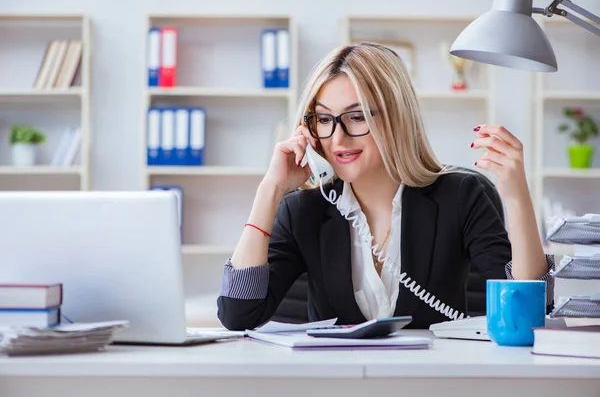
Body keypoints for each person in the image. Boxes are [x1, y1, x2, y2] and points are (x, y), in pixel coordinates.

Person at [216, 42, 554, 331]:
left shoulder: (461, 196)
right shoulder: (304, 209)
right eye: (323, 119)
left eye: (357, 116)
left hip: (435, 381)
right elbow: (238, 315)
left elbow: (526, 316)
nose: (338, 137)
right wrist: (270, 191)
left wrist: (516, 194)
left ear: (396, 116)